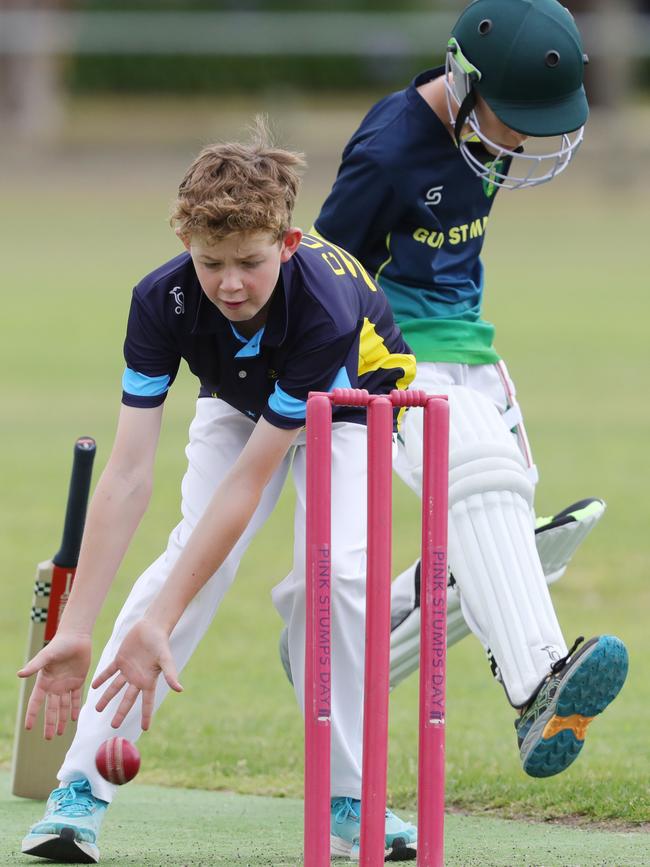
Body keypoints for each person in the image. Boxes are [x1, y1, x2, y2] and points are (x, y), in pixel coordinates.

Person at [18, 121, 420, 864]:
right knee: (187, 565)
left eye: (250, 263)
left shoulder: (323, 308)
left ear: (290, 243)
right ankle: (78, 793)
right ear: (185, 247)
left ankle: (350, 794)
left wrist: (160, 620)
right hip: (240, 400)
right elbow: (130, 471)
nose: (231, 284)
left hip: (352, 403)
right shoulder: (161, 299)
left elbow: (249, 484)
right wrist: (78, 624)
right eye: (211, 264)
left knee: (334, 579)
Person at [278, 0, 629, 777]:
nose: (521, 139)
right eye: (513, 120)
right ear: (463, 80)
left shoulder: (482, 129)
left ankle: (317, 648)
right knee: (482, 476)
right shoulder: (389, 148)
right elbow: (328, 272)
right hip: (399, 357)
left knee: (505, 538)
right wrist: (356, 384)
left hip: (475, 345)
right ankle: (539, 685)